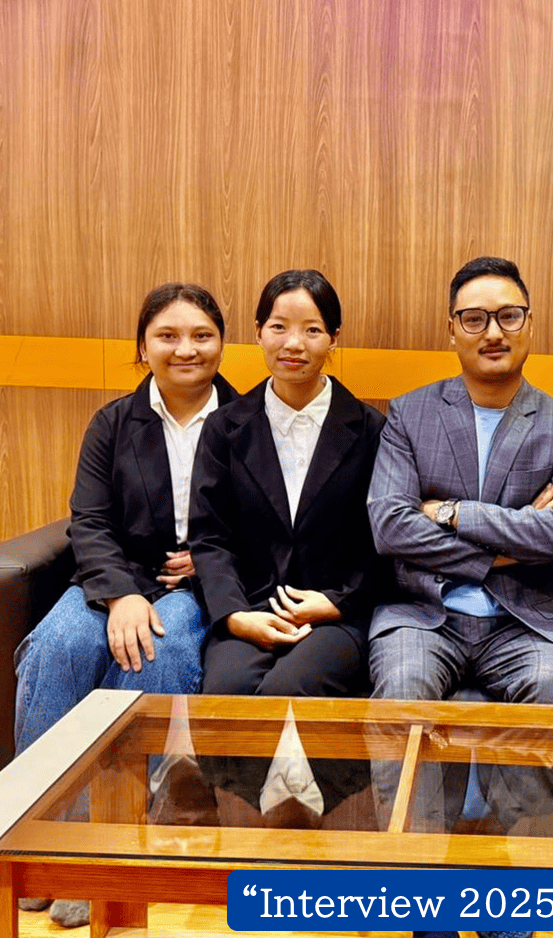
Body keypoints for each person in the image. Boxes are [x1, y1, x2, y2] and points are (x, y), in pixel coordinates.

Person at [13, 282, 237, 926]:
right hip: (115, 577)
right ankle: (38, 843)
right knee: (56, 647)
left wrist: (209, 559)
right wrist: (120, 594)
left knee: (157, 657)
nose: (186, 349)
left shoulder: (248, 420)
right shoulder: (113, 422)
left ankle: (102, 856)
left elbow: (268, 524)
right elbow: (88, 520)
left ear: (222, 344)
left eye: (201, 335)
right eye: (168, 336)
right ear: (143, 347)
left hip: (198, 586)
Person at [366, 255, 553, 830]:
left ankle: (514, 856)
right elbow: (390, 525)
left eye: (508, 316)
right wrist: (509, 543)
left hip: (530, 619)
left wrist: (452, 512)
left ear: (529, 323)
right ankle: (413, 865)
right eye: (474, 319)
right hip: (425, 614)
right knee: (402, 687)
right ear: (452, 329)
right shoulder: (410, 414)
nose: (493, 332)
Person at [189, 269, 386, 821]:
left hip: (337, 611)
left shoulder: (371, 428)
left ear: (334, 338)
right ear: (258, 332)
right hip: (251, 605)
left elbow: (385, 539)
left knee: (293, 685)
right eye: (279, 327)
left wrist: (337, 602)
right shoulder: (225, 427)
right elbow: (209, 536)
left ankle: (312, 815)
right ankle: (250, 816)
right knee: (226, 690)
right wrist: (235, 615)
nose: (293, 343)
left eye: (312, 330)